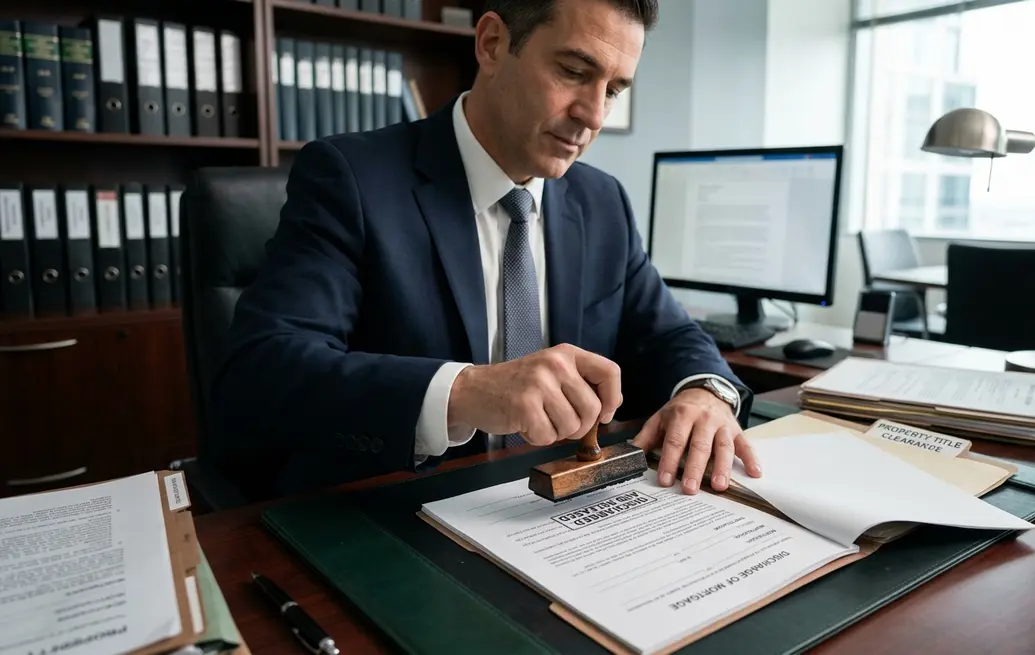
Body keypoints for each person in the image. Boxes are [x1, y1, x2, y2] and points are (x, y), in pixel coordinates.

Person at [209, 0, 762, 499]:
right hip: (401, 515)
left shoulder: (602, 201)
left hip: (559, 512)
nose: (593, 116)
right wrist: (467, 391)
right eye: (573, 72)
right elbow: (261, 372)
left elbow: (670, 332)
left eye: (614, 90)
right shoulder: (350, 178)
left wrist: (706, 392)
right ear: (493, 44)